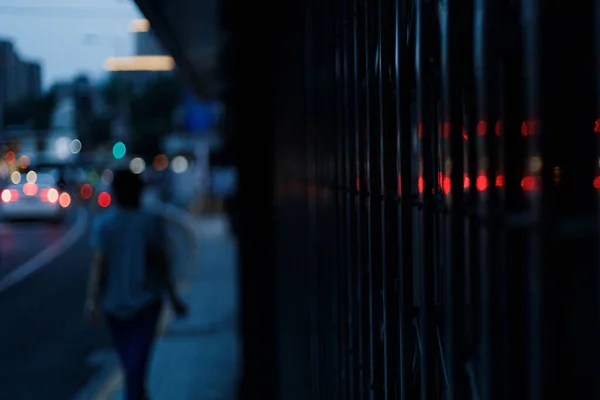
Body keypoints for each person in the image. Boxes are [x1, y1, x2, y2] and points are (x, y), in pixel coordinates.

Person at [84, 168, 188, 400]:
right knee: (138, 360)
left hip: (115, 304)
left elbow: (98, 266)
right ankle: (136, 394)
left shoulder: (103, 224)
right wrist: (173, 297)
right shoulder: (151, 222)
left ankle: (135, 394)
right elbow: (162, 264)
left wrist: (92, 300)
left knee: (129, 360)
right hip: (147, 302)